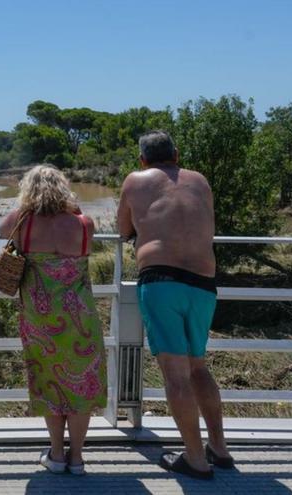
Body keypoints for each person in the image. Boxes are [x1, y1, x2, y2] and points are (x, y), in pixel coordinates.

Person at [117, 130, 234, 480]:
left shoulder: (135, 180)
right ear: (177, 154)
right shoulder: (200, 180)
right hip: (203, 283)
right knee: (198, 367)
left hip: (161, 281)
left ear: (142, 160)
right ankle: (220, 449)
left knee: (176, 374)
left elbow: (123, 231)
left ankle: (195, 459)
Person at [0, 165, 107, 476]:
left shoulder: (24, 223)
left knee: (49, 386)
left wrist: (25, 206)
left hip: (39, 321)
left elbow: (0, 230)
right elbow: (87, 236)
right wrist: (74, 208)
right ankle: (77, 459)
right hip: (81, 320)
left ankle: (56, 455)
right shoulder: (84, 223)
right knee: (82, 387)